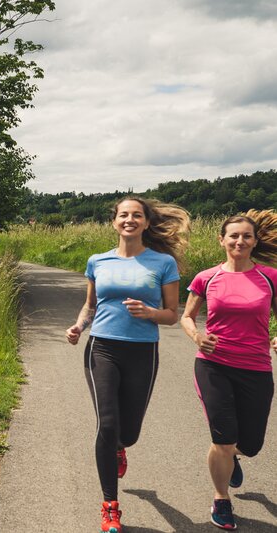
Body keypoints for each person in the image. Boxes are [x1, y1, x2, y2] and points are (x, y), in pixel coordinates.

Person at [65, 196, 190, 533]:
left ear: (147, 223)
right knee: (107, 425)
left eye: (137, 215)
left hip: (142, 352)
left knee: (128, 432)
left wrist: (150, 314)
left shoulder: (162, 263)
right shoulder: (98, 260)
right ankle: (110, 507)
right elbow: (89, 305)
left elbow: (172, 315)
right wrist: (79, 326)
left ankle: (121, 447)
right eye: (124, 215)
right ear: (114, 221)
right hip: (102, 348)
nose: (130, 220)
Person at [180, 210, 277, 530]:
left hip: (257, 367)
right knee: (222, 440)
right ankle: (222, 498)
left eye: (246, 236)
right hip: (214, 365)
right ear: (222, 240)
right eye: (233, 235)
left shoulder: (270, 277)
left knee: (250, 445)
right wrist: (197, 336)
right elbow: (187, 316)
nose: (239, 241)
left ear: (254, 240)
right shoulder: (206, 277)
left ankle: (233, 455)